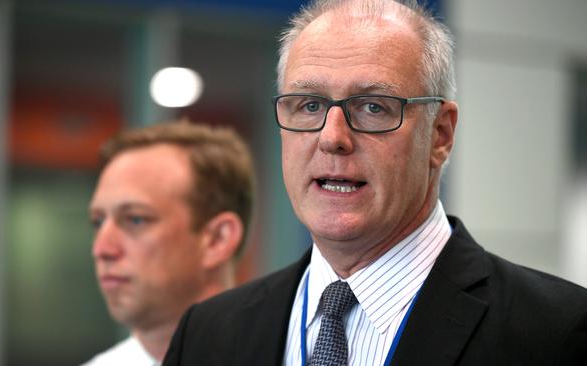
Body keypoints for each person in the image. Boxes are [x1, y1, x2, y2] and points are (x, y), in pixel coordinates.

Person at [163, 1, 587, 365]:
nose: (332, 138)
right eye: (309, 105)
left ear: (440, 134)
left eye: (373, 107)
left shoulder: (558, 334)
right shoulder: (206, 335)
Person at [83, 120, 255, 366]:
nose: (101, 249)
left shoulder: (294, 355)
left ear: (218, 239)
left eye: (135, 219)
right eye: (98, 222)